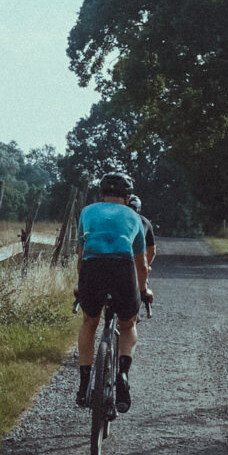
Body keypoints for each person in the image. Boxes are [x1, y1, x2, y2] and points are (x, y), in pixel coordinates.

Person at [73, 172, 151, 414]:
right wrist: (143, 289)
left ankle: (84, 382)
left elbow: (80, 255)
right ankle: (123, 377)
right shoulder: (134, 217)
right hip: (122, 268)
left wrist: (80, 283)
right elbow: (141, 264)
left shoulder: (87, 212)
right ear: (128, 198)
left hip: (92, 268)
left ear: (101, 195)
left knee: (89, 322)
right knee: (127, 325)